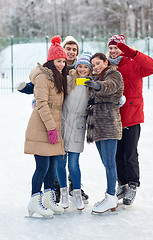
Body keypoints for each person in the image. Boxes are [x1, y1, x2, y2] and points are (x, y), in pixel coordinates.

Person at [16, 36, 89, 204]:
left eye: (74, 49)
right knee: (54, 161)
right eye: (68, 49)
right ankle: (55, 190)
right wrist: (27, 89)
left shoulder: (81, 68)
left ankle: (72, 186)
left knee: (70, 160)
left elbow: (89, 84)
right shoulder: (50, 69)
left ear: (77, 53)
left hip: (70, 120)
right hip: (54, 119)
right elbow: (39, 85)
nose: (70, 53)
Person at [107, 35, 153, 205]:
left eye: (117, 48)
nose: (113, 51)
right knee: (116, 154)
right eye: (111, 48)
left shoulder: (134, 64)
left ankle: (133, 184)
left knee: (129, 153)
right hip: (113, 117)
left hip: (131, 116)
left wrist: (133, 53)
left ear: (123, 49)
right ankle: (121, 183)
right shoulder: (107, 66)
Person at [25, 35, 67, 218]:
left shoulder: (58, 77)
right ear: (51, 60)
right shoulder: (43, 77)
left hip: (53, 125)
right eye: (58, 61)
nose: (61, 64)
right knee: (42, 166)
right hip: (42, 126)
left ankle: (49, 199)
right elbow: (41, 104)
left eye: (64, 61)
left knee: (53, 165)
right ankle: (34, 201)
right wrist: (51, 128)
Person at [85, 52, 124, 214]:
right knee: (106, 163)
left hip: (109, 123)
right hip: (98, 126)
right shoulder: (95, 77)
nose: (96, 66)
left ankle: (110, 196)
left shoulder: (113, 73)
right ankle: (110, 196)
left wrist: (98, 86)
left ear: (105, 62)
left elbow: (111, 86)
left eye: (98, 63)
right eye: (93, 65)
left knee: (109, 163)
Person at [57, 52, 93, 210]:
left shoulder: (91, 84)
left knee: (73, 164)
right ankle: (63, 193)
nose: (83, 69)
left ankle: (76, 193)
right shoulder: (68, 79)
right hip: (63, 124)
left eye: (86, 67)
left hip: (78, 126)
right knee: (60, 161)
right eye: (80, 66)